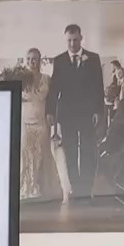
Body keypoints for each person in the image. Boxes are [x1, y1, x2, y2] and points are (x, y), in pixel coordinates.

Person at [46, 23, 105, 200]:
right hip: (67, 114)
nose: (72, 44)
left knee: (88, 149)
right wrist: (50, 111)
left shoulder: (93, 58)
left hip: (88, 113)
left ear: (81, 38)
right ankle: (75, 187)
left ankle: (87, 187)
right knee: (70, 150)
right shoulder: (59, 60)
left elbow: (98, 87)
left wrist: (98, 110)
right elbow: (54, 89)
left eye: (75, 40)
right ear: (66, 40)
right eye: (69, 40)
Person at [18, 47, 62, 201]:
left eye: (34, 59)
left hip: (42, 121)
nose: (31, 61)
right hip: (25, 121)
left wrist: (51, 114)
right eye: (29, 59)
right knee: (25, 153)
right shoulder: (20, 79)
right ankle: (27, 188)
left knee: (42, 153)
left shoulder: (47, 78)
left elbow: (52, 99)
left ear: (39, 60)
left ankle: (42, 188)